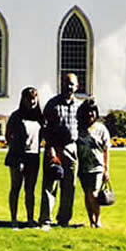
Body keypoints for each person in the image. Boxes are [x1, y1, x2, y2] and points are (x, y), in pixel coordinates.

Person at [39, 72, 80, 229]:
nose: (69, 87)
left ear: (77, 87)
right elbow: (46, 128)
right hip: (54, 147)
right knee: (50, 185)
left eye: (72, 84)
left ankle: (64, 220)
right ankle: (45, 220)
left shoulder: (78, 106)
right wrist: (50, 149)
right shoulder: (53, 104)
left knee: (69, 185)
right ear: (61, 84)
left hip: (71, 147)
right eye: (66, 83)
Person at [4, 86, 43, 228]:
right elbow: (8, 135)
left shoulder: (39, 117)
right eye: (29, 98)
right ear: (23, 99)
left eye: (34, 98)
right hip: (17, 156)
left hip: (34, 156)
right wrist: (15, 151)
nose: (32, 101)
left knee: (30, 189)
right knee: (16, 187)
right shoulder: (16, 116)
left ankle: (30, 219)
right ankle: (13, 219)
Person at [76, 98, 111, 228]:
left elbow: (106, 149)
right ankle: (91, 220)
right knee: (87, 194)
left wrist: (107, 169)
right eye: (88, 112)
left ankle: (98, 220)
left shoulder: (101, 129)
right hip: (83, 167)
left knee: (94, 194)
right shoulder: (78, 129)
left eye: (93, 112)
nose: (91, 114)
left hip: (97, 167)